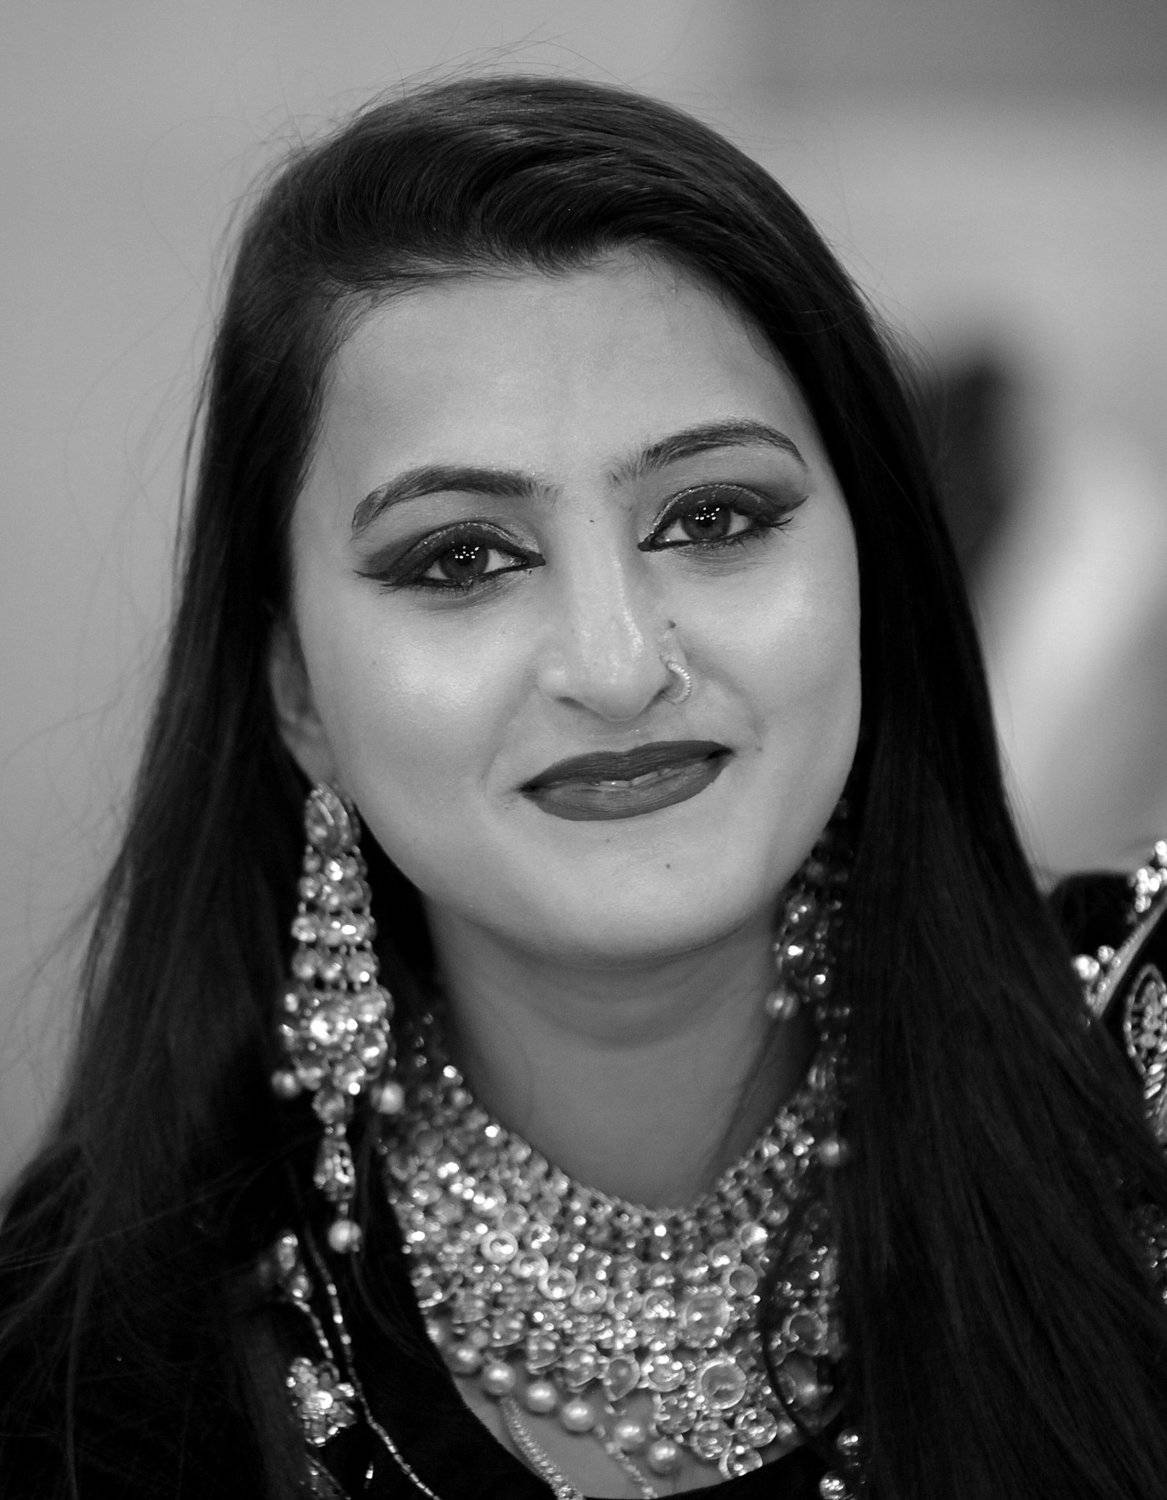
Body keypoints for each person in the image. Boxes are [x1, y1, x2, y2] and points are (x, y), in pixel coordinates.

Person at [1, 73, 1166, 1500]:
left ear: (877, 575)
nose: (617, 668)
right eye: (462, 557)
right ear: (299, 691)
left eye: (714, 516)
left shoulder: (1142, 1080)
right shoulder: (98, 1365)